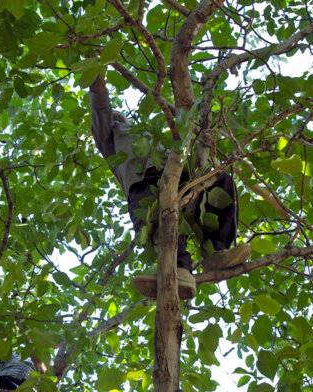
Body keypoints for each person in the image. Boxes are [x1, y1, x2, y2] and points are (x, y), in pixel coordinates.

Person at [88, 74, 250, 299]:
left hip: (178, 176)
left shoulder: (145, 133)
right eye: (114, 119)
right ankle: (177, 270)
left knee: (220, 181)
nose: (118, 118)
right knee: (161, 219)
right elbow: (100, 105)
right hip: (143, 184)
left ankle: (216, 253)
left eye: (121, 117)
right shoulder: (108, 137)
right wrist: (96, 68)